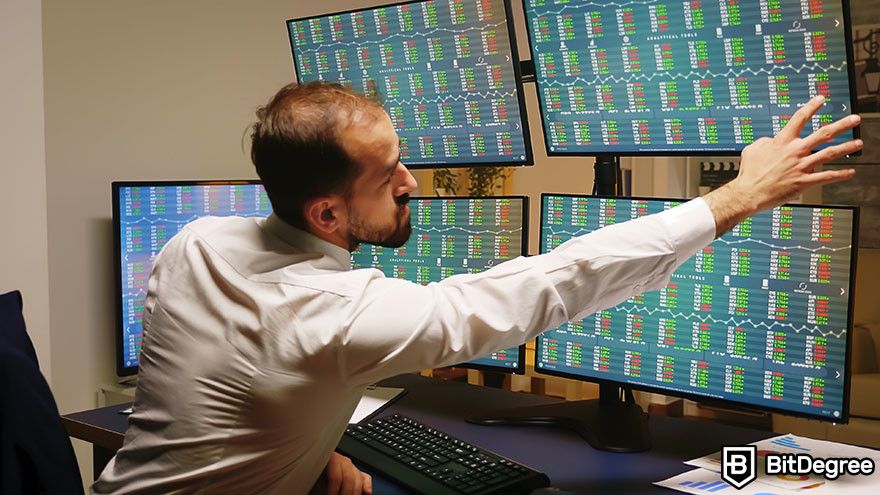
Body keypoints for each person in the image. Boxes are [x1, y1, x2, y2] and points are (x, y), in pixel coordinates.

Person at [92, 81, 861, 495]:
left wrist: (304, 443)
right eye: (387, 172)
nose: (411, 181)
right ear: (327, 211)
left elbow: (220, 380)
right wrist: (732, 199)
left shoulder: (194, 241)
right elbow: (546, 286)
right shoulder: (330, 316)